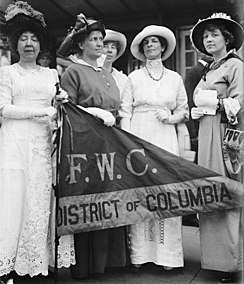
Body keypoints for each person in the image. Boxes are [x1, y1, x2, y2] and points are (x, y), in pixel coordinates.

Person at [0, 1, 67, 283]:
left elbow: (59, 108)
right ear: (16, 45)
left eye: (34, 39)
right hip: (15, 140)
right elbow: (4, 108)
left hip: (42, 143)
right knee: (13, 197)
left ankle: (36, 259)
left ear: (41, 46)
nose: (29, 44)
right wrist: (41, 111)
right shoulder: (7, 73)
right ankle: (7, 261)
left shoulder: (52, 74)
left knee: (39, 199)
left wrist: (61, 104)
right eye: (24, 39)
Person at [58, 13, 127, 279]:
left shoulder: (107, 74)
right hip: (87, 143)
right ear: (82, 44)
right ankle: (88, 264)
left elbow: (117, 108)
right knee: (91, 197)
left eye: (101, 39)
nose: (100, 44)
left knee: (111, 197)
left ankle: (111, 260)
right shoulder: (75, 71)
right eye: (94, 39)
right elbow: (68, 109)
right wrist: (96, 112)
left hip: (111, 143)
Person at [119, 25, 189, 271]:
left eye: (154, 42)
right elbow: (125, 110)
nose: (150, 45)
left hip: (165, 135)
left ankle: (168, 256)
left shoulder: (175, 78)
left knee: (166, 189)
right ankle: (140, 254)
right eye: (146, 43)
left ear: (162, 47)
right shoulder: (133, 78)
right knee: (141, 189)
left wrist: (171, 118)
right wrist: (127, 141)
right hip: (139, 133)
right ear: (141, 49)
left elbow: (184, 110)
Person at [190, 12, 244, 283]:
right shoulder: (210, 68)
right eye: (206, 35)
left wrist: (213, 102)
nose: (209, 39)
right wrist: (199, 107)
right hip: (207, 134)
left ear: (227, 38)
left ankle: (232, 263)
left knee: (227, 192)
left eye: (214, 34)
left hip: (225, 135)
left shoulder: (235, 66)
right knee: (209, 193)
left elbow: (238, 103)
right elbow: (199, 99)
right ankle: (214, 261)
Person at [182, 51, 213, 228]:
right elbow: (189, 101)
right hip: (198, 128)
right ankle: (190, 212)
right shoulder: (195, 72)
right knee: (196, 172)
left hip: (209, 126)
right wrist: (193, 133)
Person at [98, 29, 128, 96]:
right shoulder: (90, 73)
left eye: (113, 47)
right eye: (105, 46)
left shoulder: (122, 78)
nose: (109, 50)